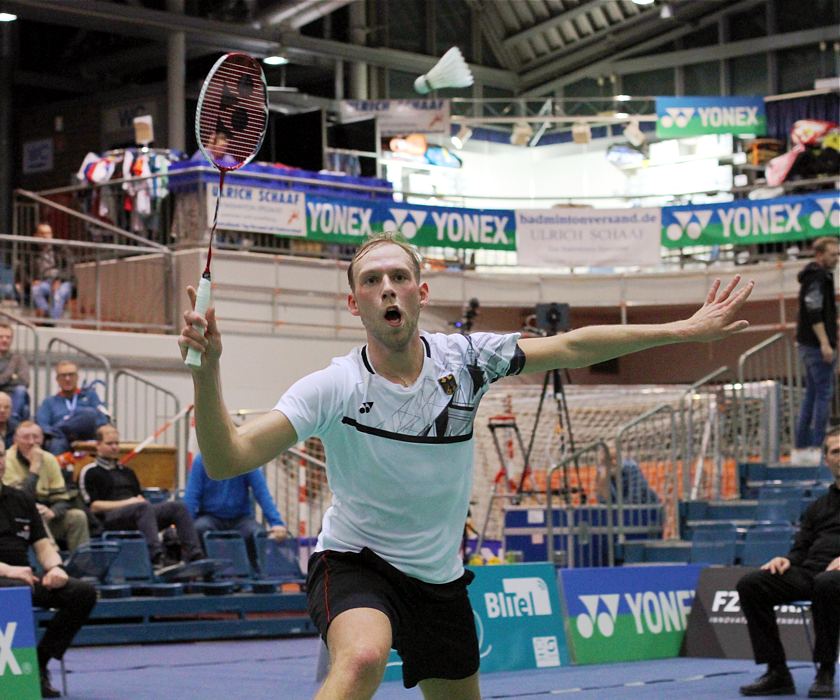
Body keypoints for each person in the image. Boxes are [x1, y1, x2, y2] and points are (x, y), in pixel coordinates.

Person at [178, 235, 754, 700]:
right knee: (360, 659)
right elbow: (228, 457)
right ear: (355, 304)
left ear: (421, 291)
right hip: (355, 561)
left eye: (398, 277)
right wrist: (208, 373)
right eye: (371, 281)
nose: (388, 289)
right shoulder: (334, 387)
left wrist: (682, 329)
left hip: (438, 578)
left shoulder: (469, 361)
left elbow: (573, 347)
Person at [736, 425, 840, 698]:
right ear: (826, 459)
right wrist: (785, 559)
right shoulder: (819, 506)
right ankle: (777, 672)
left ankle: (826, 669)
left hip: (833, 579)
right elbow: (801, 548)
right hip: (812, 572)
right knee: (751, 584)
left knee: (827, 583)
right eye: (836, 451)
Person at [0, 441, 97, 698]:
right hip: (10, 579)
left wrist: (56, 568)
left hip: (23, 579)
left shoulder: (21, 499)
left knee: (82, 593)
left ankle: (38, 663)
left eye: (0, 456)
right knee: (17, 589)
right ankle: (12, 678)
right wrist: (8, 570)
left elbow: (43, 545)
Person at [79, 424, 203, 568]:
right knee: (142, 508)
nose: (114, 447)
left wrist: (136, 503)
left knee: (177, 507)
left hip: (138, 513)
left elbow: (140, 497)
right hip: (110, 518)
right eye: (109, 444)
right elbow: (94, 506)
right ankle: (156, 557)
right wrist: (129, 503)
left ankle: (195, 556)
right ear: (98, 445)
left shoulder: (127, 472)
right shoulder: (89, 472)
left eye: (117, 443)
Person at [183, 452, 287, 568]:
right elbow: (192, 495)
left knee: (257, 533)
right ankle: (204, 574)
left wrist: (276, 523)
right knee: (198, 530)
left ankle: (255, 574)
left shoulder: (246, 459)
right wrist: (185, 526)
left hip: (241, 519)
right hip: (210, 517)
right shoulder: (201, 461)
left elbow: (261, 492)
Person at [3, 421, 90, 553]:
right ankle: (53, 564)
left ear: (43, 439)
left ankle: (82, 567)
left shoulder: (49, 459)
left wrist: (53, 512)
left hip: (47, 514)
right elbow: (19, 500)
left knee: (77, 517)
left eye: (36, 437)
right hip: (16, 518)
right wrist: (35, 468)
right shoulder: (6, 460)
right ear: (15, 440)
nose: (32, 442)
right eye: (26, 437)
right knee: (36, 512)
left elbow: (62, 498)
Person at [794, 236, 839, 463]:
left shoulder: (818, 277)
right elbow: (813, 310)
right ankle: (817, 448)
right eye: (833, 254)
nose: (837, 258)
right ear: (820, 255)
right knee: (823, 395)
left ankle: (803, 449)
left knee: (812, 396)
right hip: (815, 346)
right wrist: (824, 342)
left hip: (809, 344)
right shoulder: (817, 277)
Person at [35, 359, 110, 455]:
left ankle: (60, 430)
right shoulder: (49, 402)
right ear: (57, 380)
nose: (67, 379)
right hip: (61, 440)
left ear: (77, 377)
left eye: (71, 375)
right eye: (63, 375)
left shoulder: (90, 396)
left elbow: (102, 420)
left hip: (88, 436)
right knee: (56, 443)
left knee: (88, 413)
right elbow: (42, 425)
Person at [29, 222, 74, 321]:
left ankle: (51, 321)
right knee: (36, 289)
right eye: (42, 233)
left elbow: (70, 269)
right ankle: (48, 315)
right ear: (35, 236)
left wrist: (59, 279)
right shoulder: (30, 251)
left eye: (48, 233)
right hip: (43, 282)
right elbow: (24, 271)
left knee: (59, 293)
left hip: (63, 281)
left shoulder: (61, 249)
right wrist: (32, 280)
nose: (46, 236)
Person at [595, 443, 659, 505]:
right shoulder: (601, 475)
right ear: (602, 463)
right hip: (623, 512)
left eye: (616, 458)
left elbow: (634, 499)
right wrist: (603, 485)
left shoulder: (631, 467)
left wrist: (614, 507)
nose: (614, 462)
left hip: (648, 509)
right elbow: (603, 503)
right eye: (609, 459)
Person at [0, 321, 31, 423]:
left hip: (12, 399)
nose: (5, 340)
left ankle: (11, 422)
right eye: (1, 337)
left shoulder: (19, 358)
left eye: (8, 337)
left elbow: (25, 382)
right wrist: (11, 375)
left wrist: (3, 381)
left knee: (21, 390)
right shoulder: (15, 363)